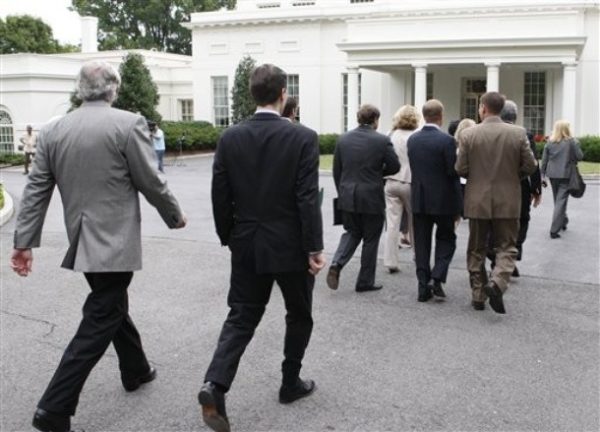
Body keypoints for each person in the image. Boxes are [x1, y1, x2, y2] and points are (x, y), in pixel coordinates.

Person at [10, 61, 186, 432]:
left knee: (111, 304)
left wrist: (23, 242)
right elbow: (150, 181)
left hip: (82, 239)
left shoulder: (55, 130)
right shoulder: (128, 123)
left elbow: (36, 189)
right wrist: (174, 215)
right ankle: (54, 408)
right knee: (102, 314)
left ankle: (135, 369)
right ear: (113, 90)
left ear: (80, 90)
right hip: (115, 243)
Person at [199, 64, 325, 432]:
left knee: (241, 317)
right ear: (283, 95)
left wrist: (229, 236)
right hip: (291, 244)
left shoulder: (230, 138)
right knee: (299, 314)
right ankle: (290, 381)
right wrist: (314, 247)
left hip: (248, 242)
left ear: (253, 94)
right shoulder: (303, 138)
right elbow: (306, 198)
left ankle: (214, 385)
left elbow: (219, 194)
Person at [456, 92, 537, 314]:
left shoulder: (469, 134)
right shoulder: (518, 133)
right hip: (508, 198)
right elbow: (530, 166)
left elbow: (460, 169)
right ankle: (497, 282)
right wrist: (513, 176)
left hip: (477, 198)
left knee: (476, 248)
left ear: (482, 108)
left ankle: (478, 294)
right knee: (507, 246)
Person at [326, 104, 400, 293]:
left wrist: (342, 192)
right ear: (375, 119)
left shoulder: (343, 140)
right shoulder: (382, 141)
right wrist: (378, 172)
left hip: (348, 195)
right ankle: (365, 281)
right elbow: (394, 166)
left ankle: (337, 263)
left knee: (351, 232)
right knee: (371, 238)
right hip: (371, 196)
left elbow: (337, 171)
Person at [407, 100, 462, 302]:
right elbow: (452, 172)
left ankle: (423, 287)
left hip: (419, 198)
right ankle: (437, 277)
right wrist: (459, 204)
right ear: (441, 116)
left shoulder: (413, 140)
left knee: (421, 244)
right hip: (443, 199)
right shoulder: (447, 141)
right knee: (447, 238)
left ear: (424, 116)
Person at [487, 100, 542, 275]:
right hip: (519, 186)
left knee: (496, 221)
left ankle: (500, 256)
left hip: (493, 184)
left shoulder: (488, 132)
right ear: (515, 116)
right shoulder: (524, 134)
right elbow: (533, 164)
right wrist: (536, 188)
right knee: (521, 220)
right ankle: (510, 254)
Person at [383, 105, 420, 273]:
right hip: (410, 181)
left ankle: (390, 260)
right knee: (415, 222)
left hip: (391, 181)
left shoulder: (391, 135)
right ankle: (418, 256)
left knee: (392, 223)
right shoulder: (416, 137)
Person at [541, 119, 583, 238]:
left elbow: (544, 161)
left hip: (552, 175)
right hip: (565, 175)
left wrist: (542, 176)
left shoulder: (549, 142)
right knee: (561, 201)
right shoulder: (571, 142)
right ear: (567, 129)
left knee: (558, 200)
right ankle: (554, 230)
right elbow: (580, 156)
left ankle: (563, 221)